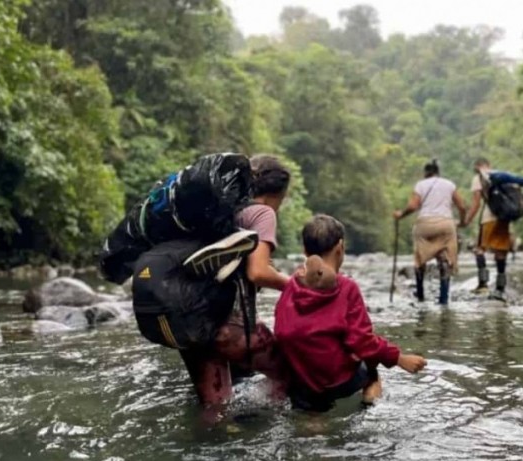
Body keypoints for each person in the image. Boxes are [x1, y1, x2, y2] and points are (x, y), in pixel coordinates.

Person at [274, 215, 428, 412]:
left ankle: (314, 421)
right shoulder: (346, 287)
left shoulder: (292, 285)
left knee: (312, 417)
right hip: (337, 381)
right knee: (372, 369)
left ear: (305, 251)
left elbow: (282, 328)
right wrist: (399, 358)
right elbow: (361, 341)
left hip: (301, 382)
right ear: (340, 247)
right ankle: (368, 404)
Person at [178, 155, 292, 410]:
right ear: (278, 194)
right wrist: (297, 285)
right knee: (290, 374)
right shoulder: (262, 212)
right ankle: (265, 427)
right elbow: (258, 273)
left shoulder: (220, 209)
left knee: (215, 409)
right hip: (226, 327)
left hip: (189, 324)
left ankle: (216, 439)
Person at [393, 160, 467, 304]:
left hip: (425, 224)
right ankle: (443, 299)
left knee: (420, 259)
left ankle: (420, 295)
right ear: (438, 172)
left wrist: (401, 215)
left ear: (426, 173)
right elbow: (462, 207)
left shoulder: (421, 185)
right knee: (445, 259)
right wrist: (463, 222)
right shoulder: (449, 184)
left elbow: (413, 206)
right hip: (445, 223)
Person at [464, 158, 523, 300]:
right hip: (503, 218)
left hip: (488, 218)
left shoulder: (479, 178)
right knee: (501, 252)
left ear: (477, 166)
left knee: (479, 249)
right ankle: (500, 287)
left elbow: (476, 203)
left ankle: (483, 284)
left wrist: (466, 220)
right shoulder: (502, 177)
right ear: (489, 165)